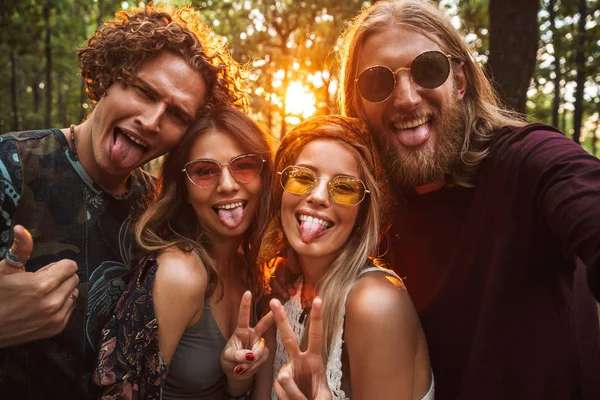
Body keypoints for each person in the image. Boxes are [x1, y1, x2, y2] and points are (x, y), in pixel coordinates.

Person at [336, 0, 600, 399]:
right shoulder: (367, 207)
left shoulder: (525, 163)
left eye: (428, 69)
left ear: (459, 82)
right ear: (358, 105)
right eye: (378, 81)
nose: (406, 98)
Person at [0, 4, 246, 399]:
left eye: (177, 115)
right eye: (145, 92)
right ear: (110, 75)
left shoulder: (163, 213)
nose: (151, 121)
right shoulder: (10, 166)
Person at [92, 106, 277, 399]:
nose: (228, 185)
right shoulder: (179, 273)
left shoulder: (251, 270)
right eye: (205, 171)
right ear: (186, 191)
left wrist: (237, 376)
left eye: (243, 165)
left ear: (264, 176)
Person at [257, 116, 433, 399]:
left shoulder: (375, 303)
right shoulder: (284, 294)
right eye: (303, 177)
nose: (317, 197)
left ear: (362, 215)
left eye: (344, 187)